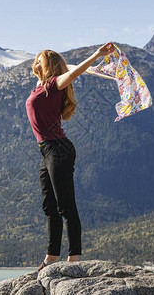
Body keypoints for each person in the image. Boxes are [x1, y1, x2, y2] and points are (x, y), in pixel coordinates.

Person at [25, 42, 114, 271]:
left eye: (39, 62)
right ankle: (51, 257)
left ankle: (73, 259)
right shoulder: (40, 85)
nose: (35, 64)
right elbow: (38, 69)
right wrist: (39, 65)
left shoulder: (55, 84)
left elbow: (74, 72)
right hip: (46, 151)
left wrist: (97, 55)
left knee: (65, 206)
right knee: (49, 206)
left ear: (49, 67)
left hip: (59, 150)